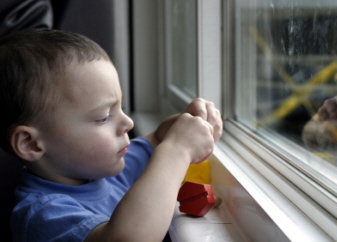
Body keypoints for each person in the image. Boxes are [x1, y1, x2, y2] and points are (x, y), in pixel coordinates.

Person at [0, 28, 223, 241]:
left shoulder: (105, 168)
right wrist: (178, 150)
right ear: (31, 144)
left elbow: (156, 140)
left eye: (121, 108)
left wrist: (189, 120)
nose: (128, 123)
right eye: (104, 116)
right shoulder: (45, 215)